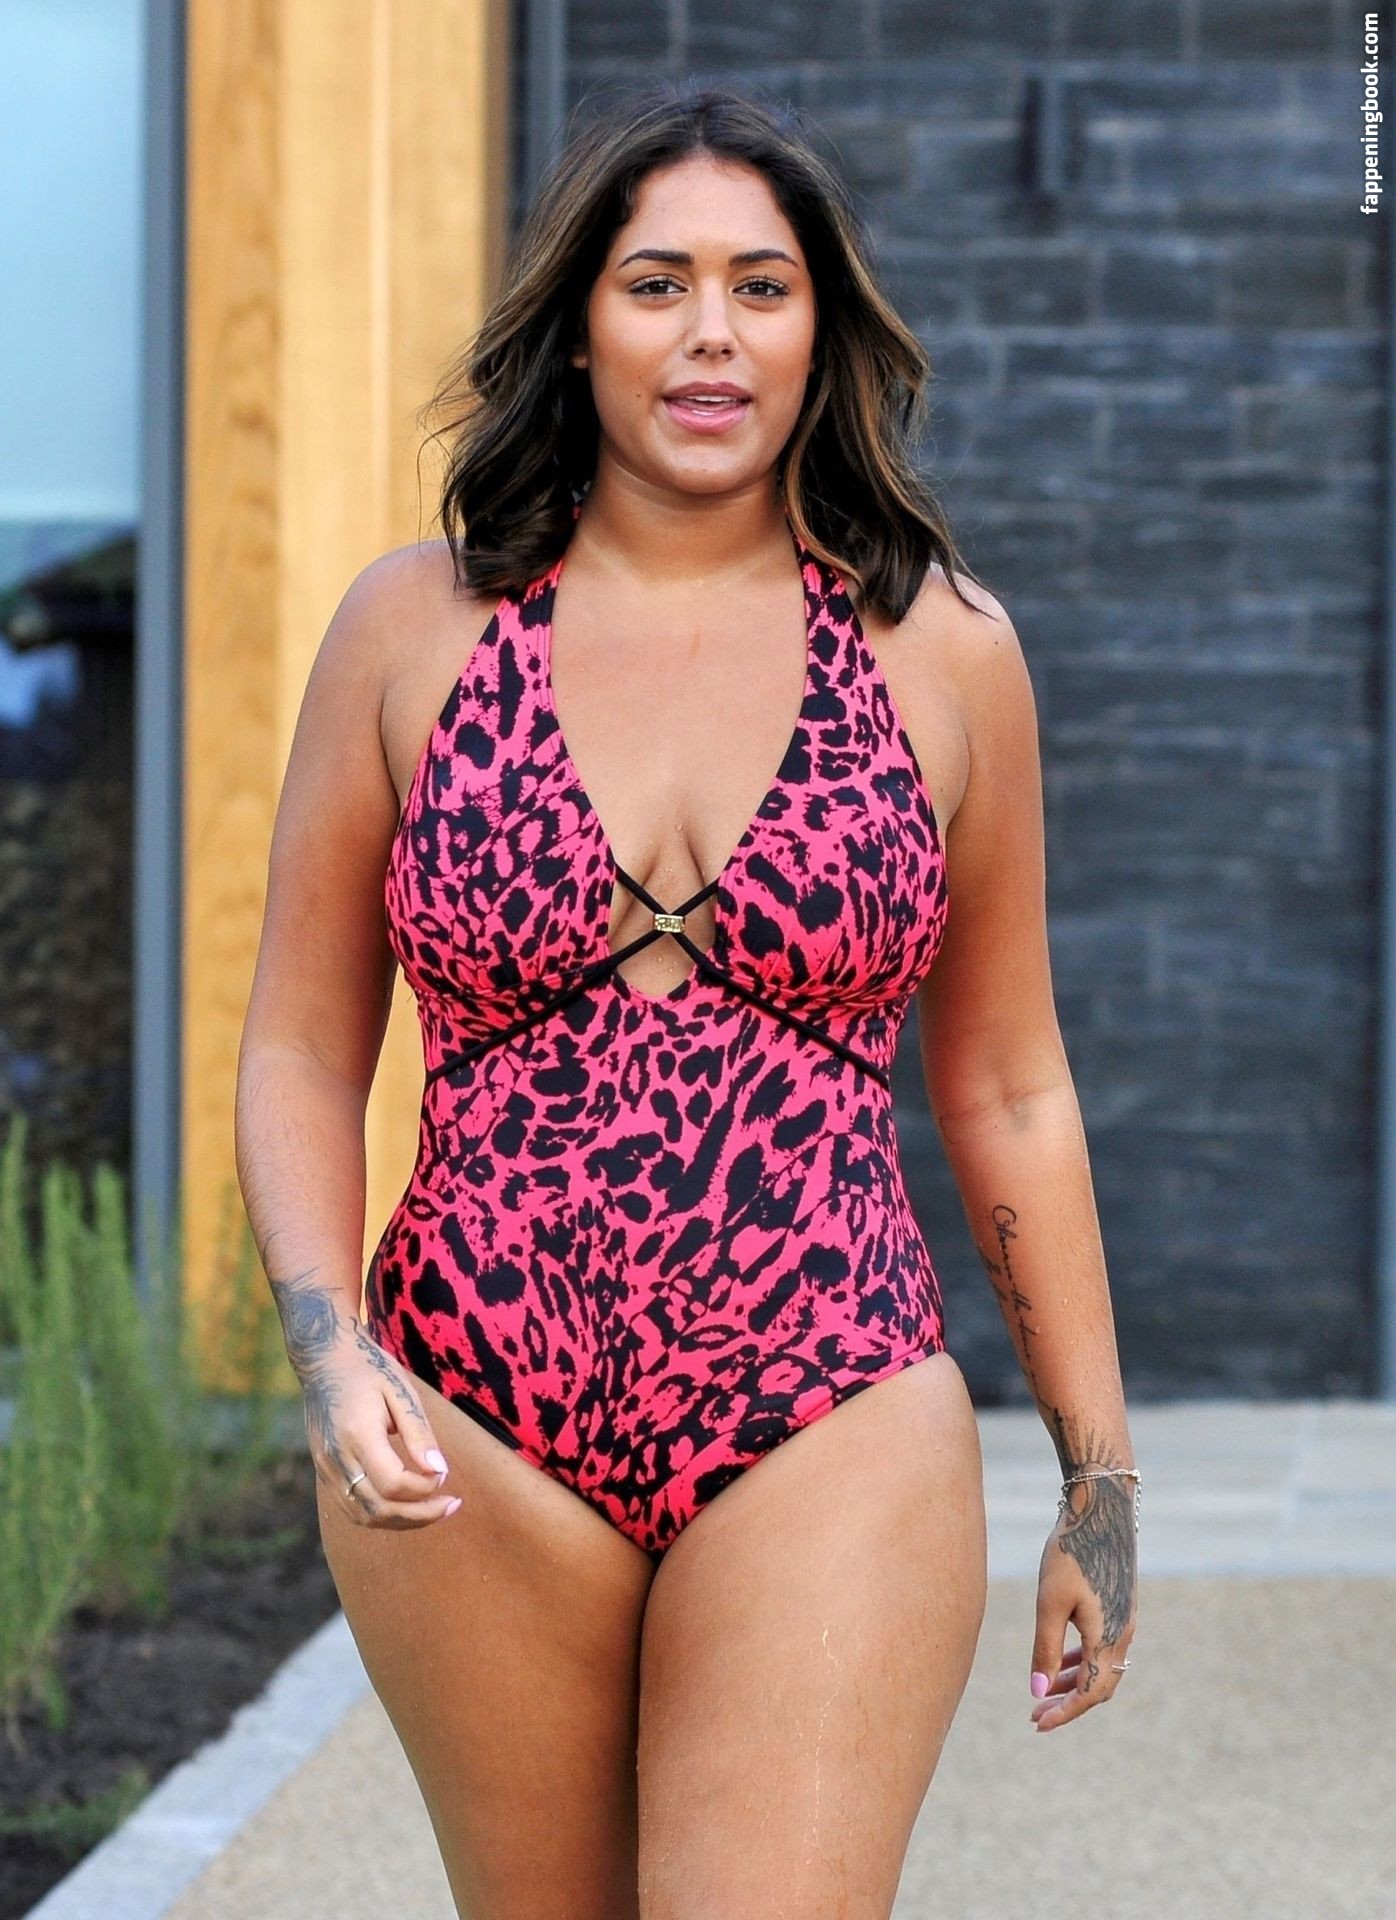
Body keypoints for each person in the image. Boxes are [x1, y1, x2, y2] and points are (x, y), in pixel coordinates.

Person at [235, 80, 1139, 1920]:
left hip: (830, 1389)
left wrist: (1098, 1482)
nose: (712, 332)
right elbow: (305, 1046)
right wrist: (333, 1356)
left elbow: (1009, 1084)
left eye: (762, 285)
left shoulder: (945, 650)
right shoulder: (413, 628)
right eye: (657, 284)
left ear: (823, 331)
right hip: (472, 1409)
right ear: (579, 327)